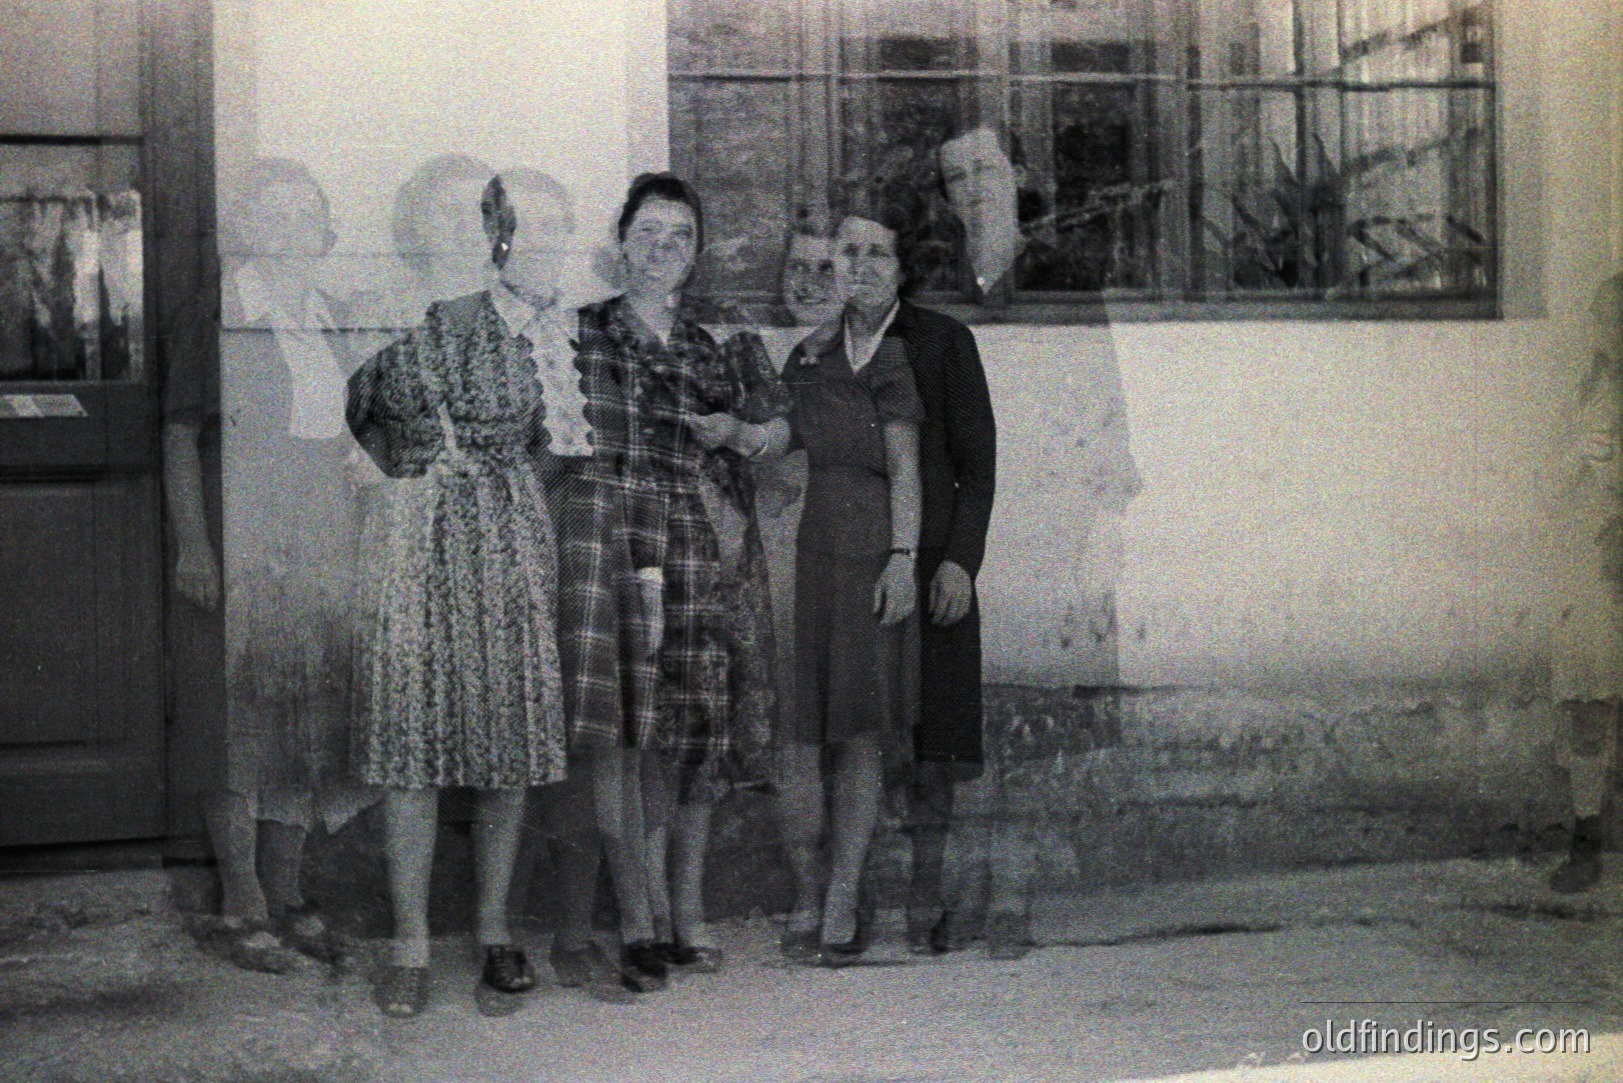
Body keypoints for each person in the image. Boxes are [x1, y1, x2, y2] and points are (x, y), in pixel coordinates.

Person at [346, 170, 580, 1018]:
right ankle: (410, 941)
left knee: (504, 737)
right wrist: (408, 483)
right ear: (413, 228)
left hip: (506, 541)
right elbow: (354, 420)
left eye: (475, 215)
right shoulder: (377, 316)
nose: (460, 229)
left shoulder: (529, 317)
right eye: (439, 214)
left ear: (496, 229)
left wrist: (500, 489)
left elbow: (564, 436)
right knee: (411, 737)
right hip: (407, 539)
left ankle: (493, 931)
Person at [580, 172, 792, 976]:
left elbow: (780, 431)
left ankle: (690, 903)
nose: (663, 251)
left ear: (696, 253)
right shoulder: (586, 334)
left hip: (710, 556)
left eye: (680, 237)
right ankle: (647, 913)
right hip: (622, 551)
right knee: (637, 733)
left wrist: (738, 431)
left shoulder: (720, 340)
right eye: (648, 234)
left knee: (698, 736)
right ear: (620, 243)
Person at [187, 157, 372, 974]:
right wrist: (197, 544)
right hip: (247, 531)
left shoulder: (328, 317)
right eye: (274, 213)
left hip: (321, 533)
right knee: (240, 719)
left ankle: (287, 890)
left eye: (308, 213)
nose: (293, 227)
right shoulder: (221, 311)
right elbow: (177, 436)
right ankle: (240, 900)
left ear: (326, 232)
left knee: (308, 720)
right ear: (244, 228)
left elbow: (341, 432)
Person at [775, 205, 924, 964]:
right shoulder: (802, 360)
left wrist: (902, 556)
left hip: (868, 549)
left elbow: (904, 468)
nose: (821, 279)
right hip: (812, 549)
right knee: (809, 728)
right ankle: (810, 887)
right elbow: (777, 444)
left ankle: (841, 897)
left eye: (834, 266)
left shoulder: (890, 359)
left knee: (859, 730)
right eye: (807, 267)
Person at [1547, 272, 1623, 893]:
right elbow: (1547, 491)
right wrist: (1578, 459)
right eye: (1605, 320)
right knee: (1589, 707)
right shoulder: (1582, 393)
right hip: (1595, 568)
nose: (1610, 331)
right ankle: (1586, 841)